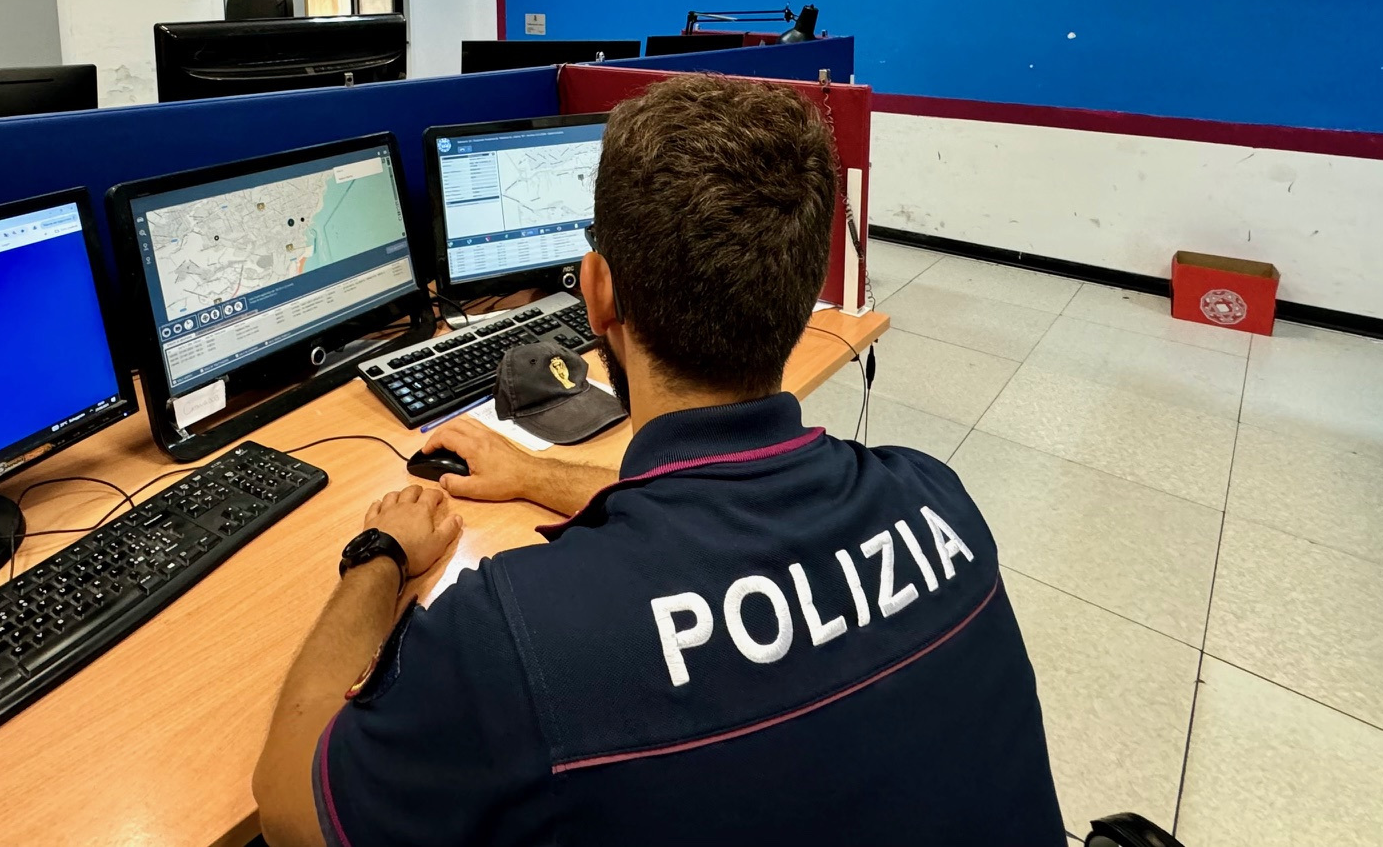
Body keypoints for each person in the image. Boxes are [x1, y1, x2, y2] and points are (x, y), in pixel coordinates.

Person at [254, 73, 1064, 846]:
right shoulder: (939, 499)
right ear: (800, 287)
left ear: (597, 291)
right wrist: (536, 475)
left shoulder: (517, 638)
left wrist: (380, 555)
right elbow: (712, 510)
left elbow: (291, 808)